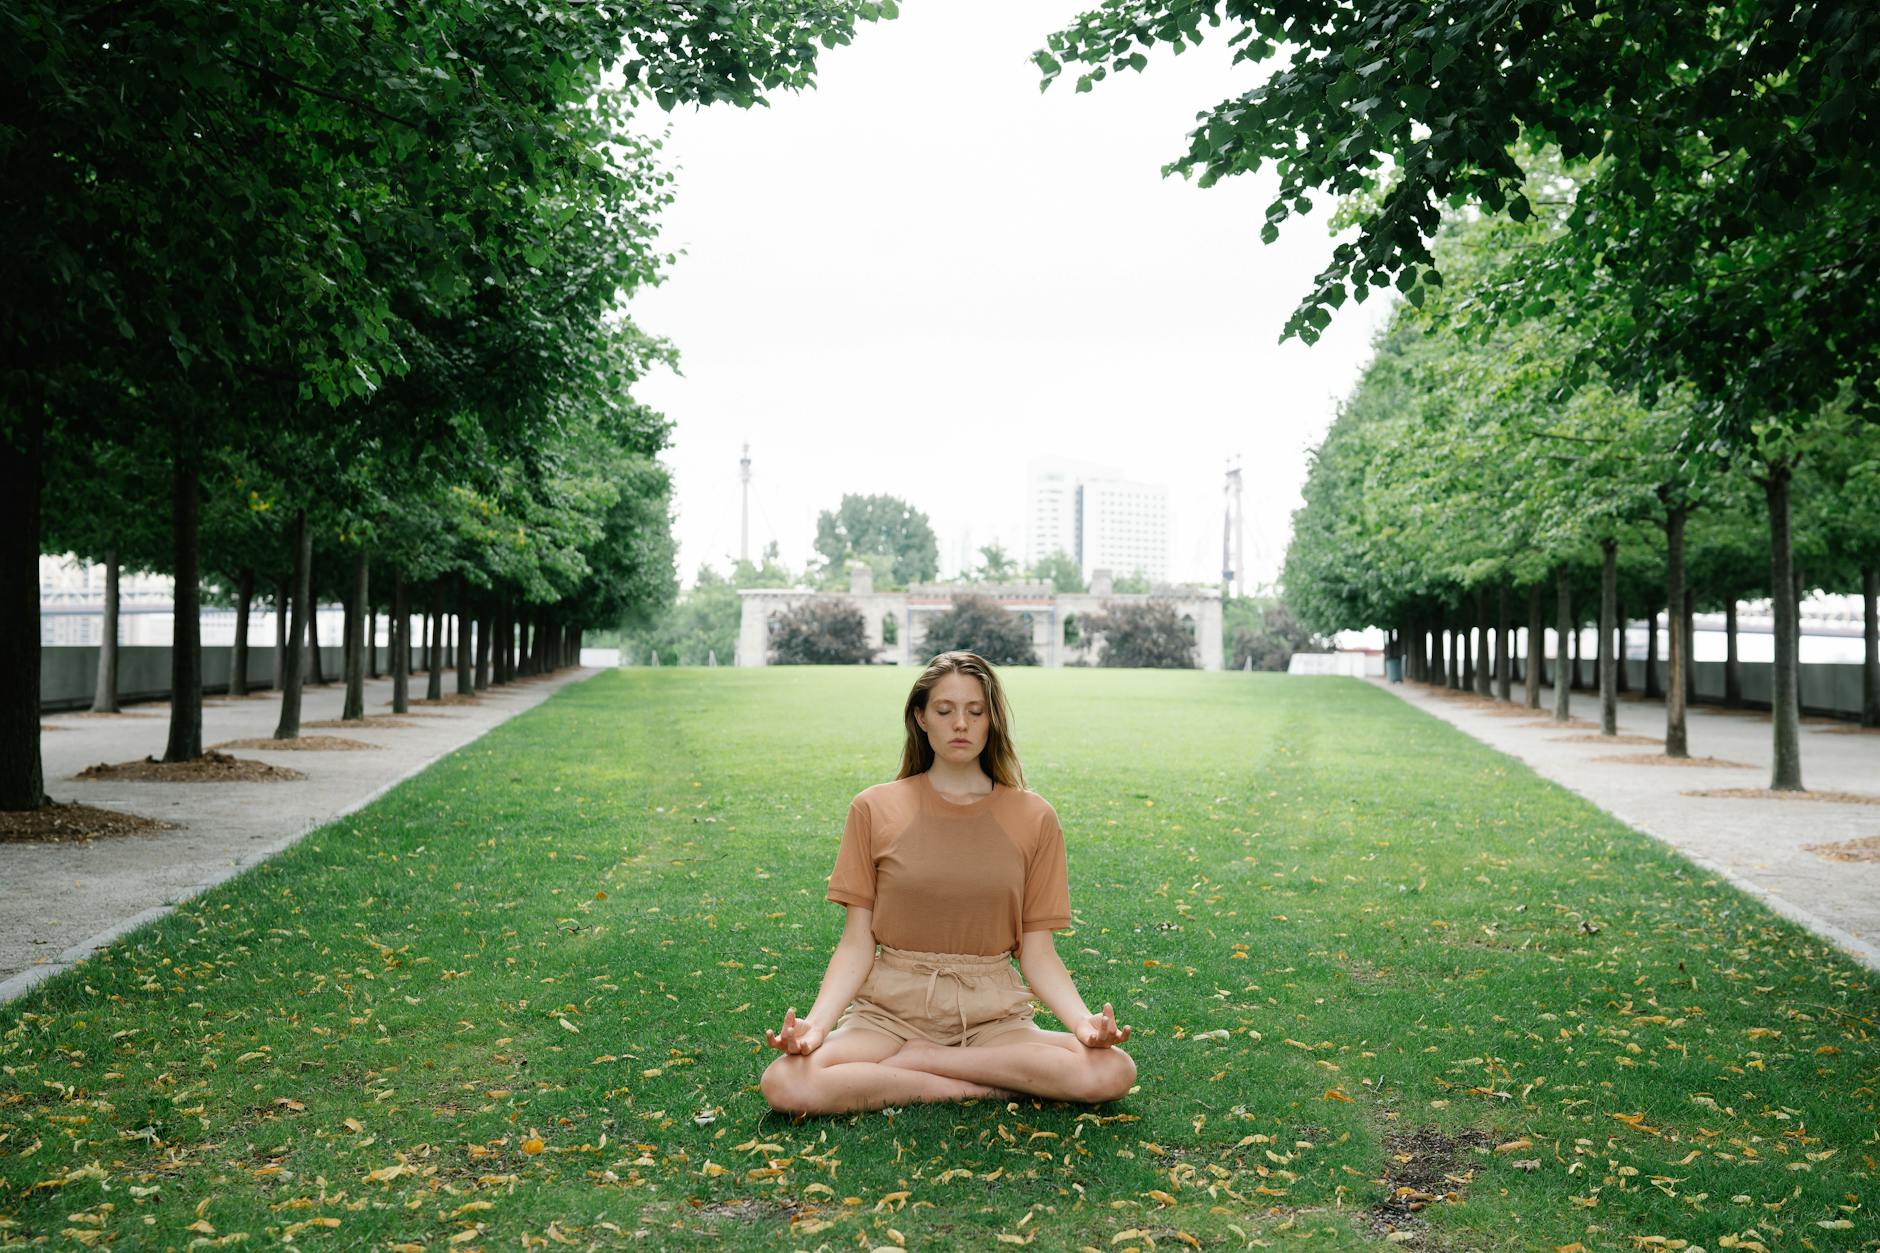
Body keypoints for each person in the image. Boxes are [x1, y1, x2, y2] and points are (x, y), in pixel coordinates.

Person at [759, 650, 1135, 1115]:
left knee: (1114, 1070)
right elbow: (857, 943)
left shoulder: (1034, 816)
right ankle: (986, 1085)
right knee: (785, 1084)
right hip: (888, 1014)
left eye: (975, 712)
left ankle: (928, 1063)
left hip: (993, 1017)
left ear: (991, 720)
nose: (961, 724)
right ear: (921, 718)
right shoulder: (873, 808)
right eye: (945, 710)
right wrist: (817, 1027)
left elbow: (1037, 951)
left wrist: (1083, 1024)